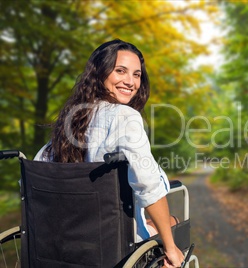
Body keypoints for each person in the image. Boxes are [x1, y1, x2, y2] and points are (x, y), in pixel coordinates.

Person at [34, 39, 184, 268]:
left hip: (63, 239)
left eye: (137, 74)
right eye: (120, 71)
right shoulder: (125, 117)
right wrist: (171, 248)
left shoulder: (71, 119)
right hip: (111, 243)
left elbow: (40, 171)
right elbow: (148, 186)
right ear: (99, 73)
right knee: (174, 224)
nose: (131, 82)